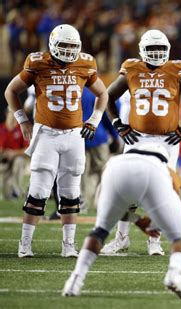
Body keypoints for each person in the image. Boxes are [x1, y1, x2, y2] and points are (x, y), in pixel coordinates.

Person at [4, 24, 108, 258]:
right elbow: (11, 90)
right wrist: (22, 120)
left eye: (73, 46)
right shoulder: (37, 62)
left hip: (74, 135)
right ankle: (25, 243)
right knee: (38, 190)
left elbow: (103, 93)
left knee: (71, 192)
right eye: (65, 45)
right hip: (47, 134)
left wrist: (94, 120)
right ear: (52, 44)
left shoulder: (85, 63)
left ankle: (68, 245)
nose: (69, 50)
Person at [101, 29, 181, 255]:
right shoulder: (131, 68)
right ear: (142, 50)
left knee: (162, 190)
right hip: (136, 137)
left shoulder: (177, 69)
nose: (157, 53)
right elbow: (108, 96)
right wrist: (118, 124)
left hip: (166, 140)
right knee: (126, 188)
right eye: (152, 49)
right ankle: (122, 239)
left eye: (160, 48)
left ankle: (154, 240)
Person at [62, 143, 181, 300]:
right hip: (153, 170)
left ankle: (75, 280)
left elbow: (97, 203)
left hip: (116, 167)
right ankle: (175, 274)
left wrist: (136, 219)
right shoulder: (168, 169)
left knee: (100, 230)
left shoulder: (117, 160)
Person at [81, 87, 121, 212]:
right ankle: (102, 201)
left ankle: (81, 202)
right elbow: (106, 115)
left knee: (81, 173)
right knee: (103, 172)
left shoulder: (75, 89)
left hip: (79, 137)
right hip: (99, 137)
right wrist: (115, 136)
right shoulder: (97, 91)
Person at [0, 110, 29, 200]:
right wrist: (4, 153)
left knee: (19, 161)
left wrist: (13, 153)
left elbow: (27, 150)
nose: (12, 115)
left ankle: (17, 188)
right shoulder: (1, 128)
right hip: (2, 159)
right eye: (11, 112)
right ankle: (10, 190)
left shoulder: (21, 129)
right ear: (6, 113)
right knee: (7, 195)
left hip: (16, 159)